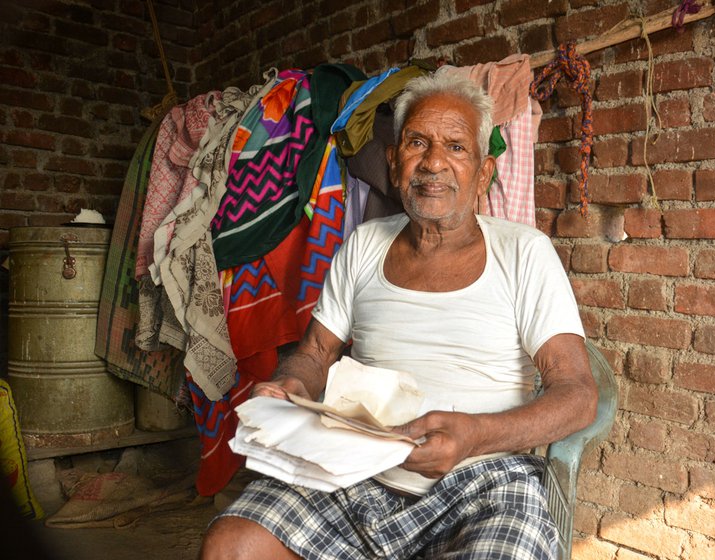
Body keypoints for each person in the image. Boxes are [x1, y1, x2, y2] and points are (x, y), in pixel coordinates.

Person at [200, 71, 597, 560]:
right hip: (352, 470)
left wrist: (475, 434)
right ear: (394, 162)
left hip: (485, 480)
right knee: (232, 546)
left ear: (484, 173)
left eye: (455, 147)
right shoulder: (363, 245)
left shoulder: (525, 253)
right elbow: (316, 352)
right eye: (417, 142)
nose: (433, 163)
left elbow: (578, 395)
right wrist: (292, 385)